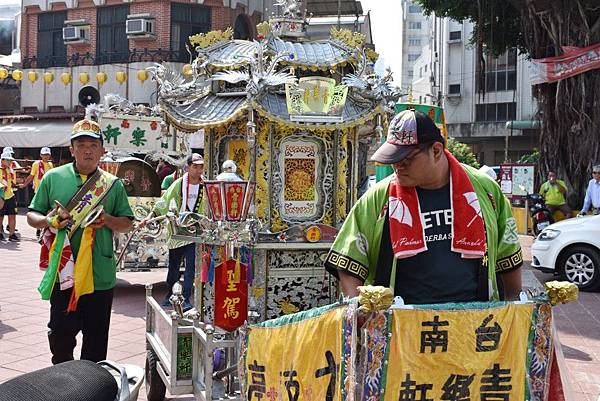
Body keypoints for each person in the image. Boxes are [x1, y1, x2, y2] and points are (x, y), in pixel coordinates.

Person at [325, 110, 522, 304]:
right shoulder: (380, 196)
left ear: (436, 150)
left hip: (474, 322)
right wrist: (358, 307)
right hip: (400, 325)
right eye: (394, 160)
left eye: (406, 159)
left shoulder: (485, 190)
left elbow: (509, 254)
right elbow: (348, 259)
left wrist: (514, 304)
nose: (397, 166)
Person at [26, 119, 134, 364]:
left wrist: (106, 219)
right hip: (64, 274)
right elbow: (33, 216)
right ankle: (64, 384)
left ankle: (92, 388)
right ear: (72, 149)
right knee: (61, 336)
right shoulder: (53, 178)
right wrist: (48, 221)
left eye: (93, 145)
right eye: (81, 144)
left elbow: (128, 222)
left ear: (102, 150)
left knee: (96, 342)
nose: (88, 150)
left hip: (100, 275)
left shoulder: (112, 185)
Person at [142, 153, 206, 311]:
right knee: (174, 266)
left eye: (201, 167)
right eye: (195, 166)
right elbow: (163, 203)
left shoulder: (205, 186)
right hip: (177, 231)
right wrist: (152, 216)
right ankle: (169, 293)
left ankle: (186, 298)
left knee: (191, 267)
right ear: (188, 167)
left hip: (195, 232)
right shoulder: (179, 184)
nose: (198, 170)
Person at [1, 151, 18, 241]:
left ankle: (12, 234)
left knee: (12, 215)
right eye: (8, 161)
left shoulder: (9, 169)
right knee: (0, 216)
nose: (10, 163)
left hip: (10, 195)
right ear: (2, 160)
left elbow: (10, 180)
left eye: (10, 161)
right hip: (1, 196)